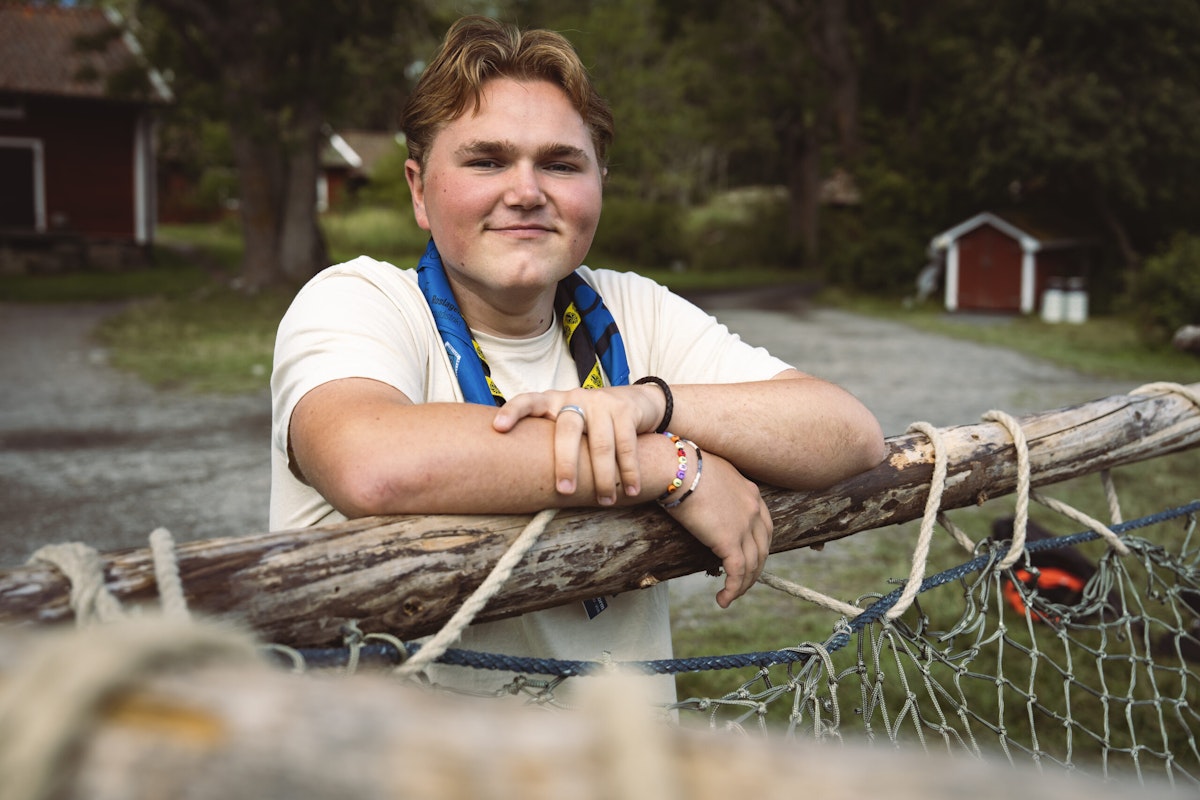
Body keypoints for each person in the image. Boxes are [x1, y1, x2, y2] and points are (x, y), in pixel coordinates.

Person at [269, 15, 885, 703]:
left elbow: (848, 433)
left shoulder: (631, 308)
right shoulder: (360, 301)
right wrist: (665, 464)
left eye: (561, 163)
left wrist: (654, 403)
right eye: (486, 160)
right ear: (418, 189)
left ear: (599, 184)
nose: (527, 191)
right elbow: (373, 464)